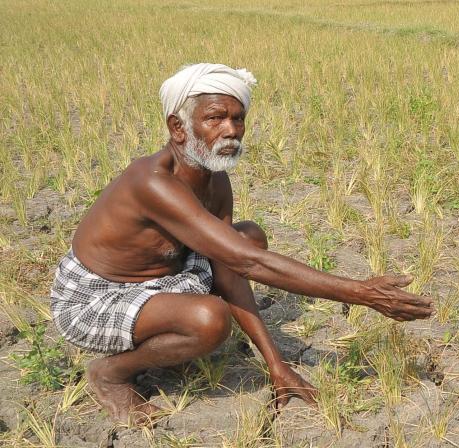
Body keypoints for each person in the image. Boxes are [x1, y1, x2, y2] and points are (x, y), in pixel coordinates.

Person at [49, 63, 433, 425]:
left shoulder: (215, 179)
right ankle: (110, 373)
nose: (230, 129)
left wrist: (276, 364)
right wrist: (360, 292)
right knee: (210, 320)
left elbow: (233, 266)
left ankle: (173, 329)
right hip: (97, 296)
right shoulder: (152, 182)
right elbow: (250, 264)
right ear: (178, 127)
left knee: (247, 235)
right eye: (215, 118)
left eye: (238, 118)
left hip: (167, 277)